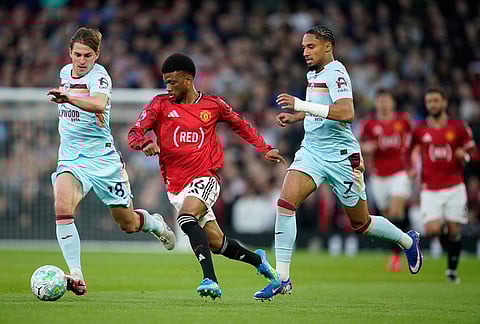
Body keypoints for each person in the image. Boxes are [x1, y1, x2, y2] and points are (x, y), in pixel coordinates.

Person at [254, 25, 423, 301]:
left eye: (311, 46)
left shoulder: (337, 72)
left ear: (328, 46)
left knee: (362, 223)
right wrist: (297, 117)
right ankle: (282, 279)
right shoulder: (315, 74)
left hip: (341, 156)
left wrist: (301, 106)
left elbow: (346, 112)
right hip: (312, 151)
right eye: (303, 47)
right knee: (285, 203)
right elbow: (321, 112)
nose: (305, 52)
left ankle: (407, 240)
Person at [128, 53, 285, 300]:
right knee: (216, 243)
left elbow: (240, 124)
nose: (168, 88)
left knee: (186, 217)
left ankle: (210, 279)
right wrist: (145, 143)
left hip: (206, 177)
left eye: (173, 82)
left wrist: (265, 148)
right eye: (166, 82)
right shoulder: (159, 105)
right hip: (176, 186)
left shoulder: (213, 105)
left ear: (188, 79)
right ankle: (260, 261)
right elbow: (134, 132)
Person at [47, 27, 176, 297]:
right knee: (62, 205)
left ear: (97, 55)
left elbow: (98, 103)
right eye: (77, 54)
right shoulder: (63, 73)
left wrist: (70, 98)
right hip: (71, 158)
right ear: (70, 52)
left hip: (103, 160)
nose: (82, 60)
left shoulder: (100, 76)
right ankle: (76, 274)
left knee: (127, 224)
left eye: (88, 55)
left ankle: (154, 224)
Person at [409, 88, 478, 283]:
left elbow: (474, 153)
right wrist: (411, 169)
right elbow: (410, 151)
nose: (432, 105)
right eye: (429, 101)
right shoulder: (420, 129)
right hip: (430, 187)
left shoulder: (459, 127)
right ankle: (451, 245)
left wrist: (463, 156)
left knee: (454, 229)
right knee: (432, 229)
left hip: (454, 186)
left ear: (444, 103)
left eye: (436, 101)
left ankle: (451, 271)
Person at [360, 89, 413, 272]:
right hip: (378, 175)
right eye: (380, 100)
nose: (383, 104)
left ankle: (400, 253)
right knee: (387, 215)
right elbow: (359, 144)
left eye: (386, 100)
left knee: (397, 211)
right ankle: (401, 246)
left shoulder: (403, 121)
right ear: (376, 103)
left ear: (392, 102)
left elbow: (415, 143)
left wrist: (413, 166)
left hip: (399, 172)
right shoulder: (370, 124)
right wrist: (367, 147)